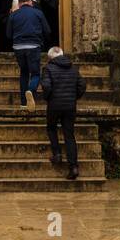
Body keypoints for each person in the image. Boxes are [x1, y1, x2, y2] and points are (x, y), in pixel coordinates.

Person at [40, 46, 86, 180]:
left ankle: (57, 154)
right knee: (69, 135)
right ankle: (73, 167)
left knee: (51, 128)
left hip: (54, 105)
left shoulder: (48, 68)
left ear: (50, 58)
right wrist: (74, 96)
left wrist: (47, 97)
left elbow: (47, 86)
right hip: (70, 106)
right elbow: (82, 85)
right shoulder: (73, 69)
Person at [5, 0, 51, 111]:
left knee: (24, 73)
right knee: (35, 73)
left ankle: (24, 103)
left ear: (19, 4)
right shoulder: (38, 13)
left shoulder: (13, 15)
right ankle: (30, 90)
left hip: (18, 47)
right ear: (30, 2)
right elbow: (47, 30)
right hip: (33, 46)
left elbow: (8, 35)